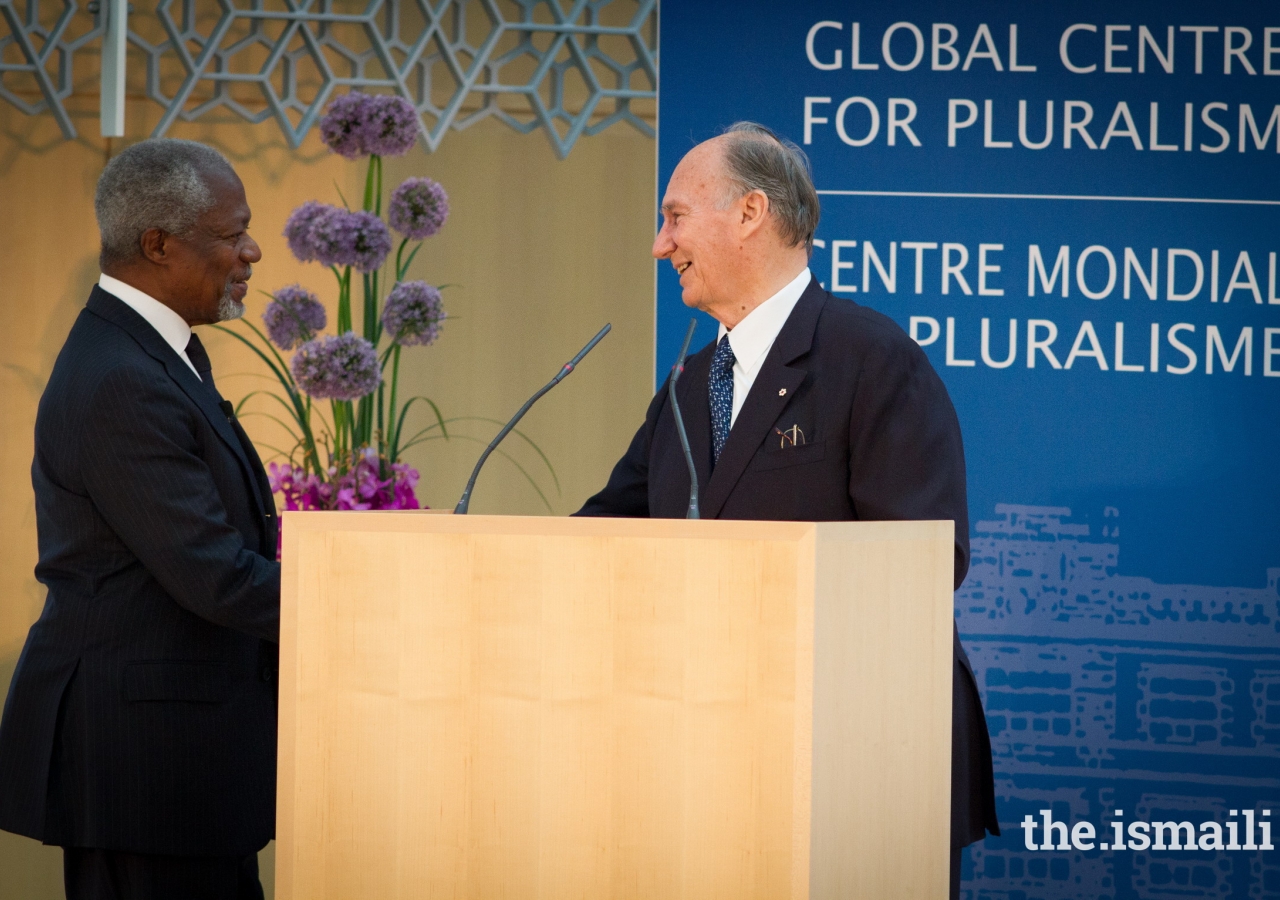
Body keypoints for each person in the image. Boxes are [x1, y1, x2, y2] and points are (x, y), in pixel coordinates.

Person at [576, 122, 999, 897]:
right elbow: (607, 531)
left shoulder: (872, 359)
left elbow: (924, 561)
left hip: (859, 762)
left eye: (674, 217)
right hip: (709, 760)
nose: (659, 244)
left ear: (748, 215)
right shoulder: (687, 383)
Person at [0, 139, 279, 899]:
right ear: (158, 244)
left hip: (171, 758)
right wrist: (362, 608)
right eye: (232, 233)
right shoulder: (124, 377)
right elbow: (214, 575)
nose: (252, 251)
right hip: (143, 762)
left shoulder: (150, 351)